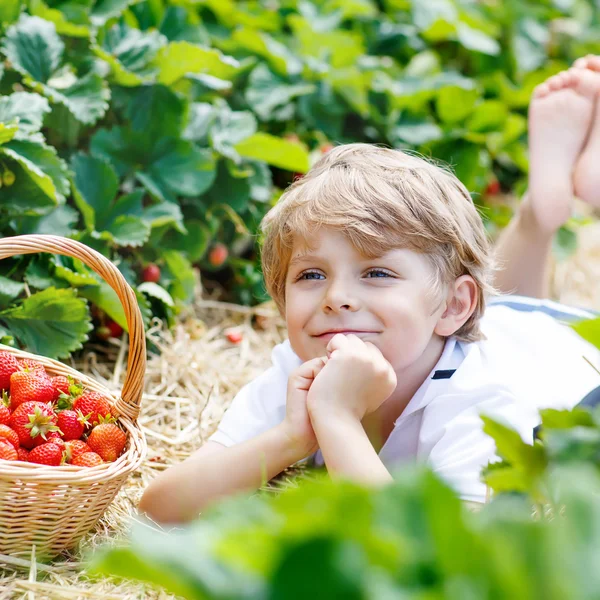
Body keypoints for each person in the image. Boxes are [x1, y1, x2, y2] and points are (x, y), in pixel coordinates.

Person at [139, 62, 600, 525]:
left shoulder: (482, 402)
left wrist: (337, 419)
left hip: (577, 359)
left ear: (453, 308)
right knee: (492, 305)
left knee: (495, 306)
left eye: (377, 273)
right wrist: (289, 438)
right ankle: (542, 211)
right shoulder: (297, 371)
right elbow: (160, 509)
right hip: (497, 322)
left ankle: (544, 212)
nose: (336, 297)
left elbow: (432, 565)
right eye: (311, 276)